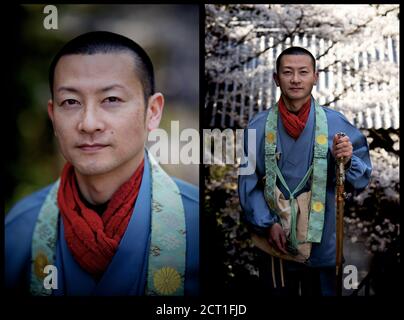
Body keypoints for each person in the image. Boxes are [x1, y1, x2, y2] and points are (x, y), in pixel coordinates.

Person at [5, 31, 199, 296]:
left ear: (152, 113)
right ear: (53, 116)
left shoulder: (198, 224)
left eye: (111, 100)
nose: (89, 124)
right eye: (71, 102)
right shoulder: (19, 231)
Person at [238, 46, 372, 296]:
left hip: (323, 241)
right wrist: (267, 224)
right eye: (288, 72)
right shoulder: (257, 127)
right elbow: (248, 183)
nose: (296, 79)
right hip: (276, 238)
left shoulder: (337, 124)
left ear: (315, 76)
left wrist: (347, 159)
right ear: (276, 79)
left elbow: (361, 179)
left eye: (303, 72)